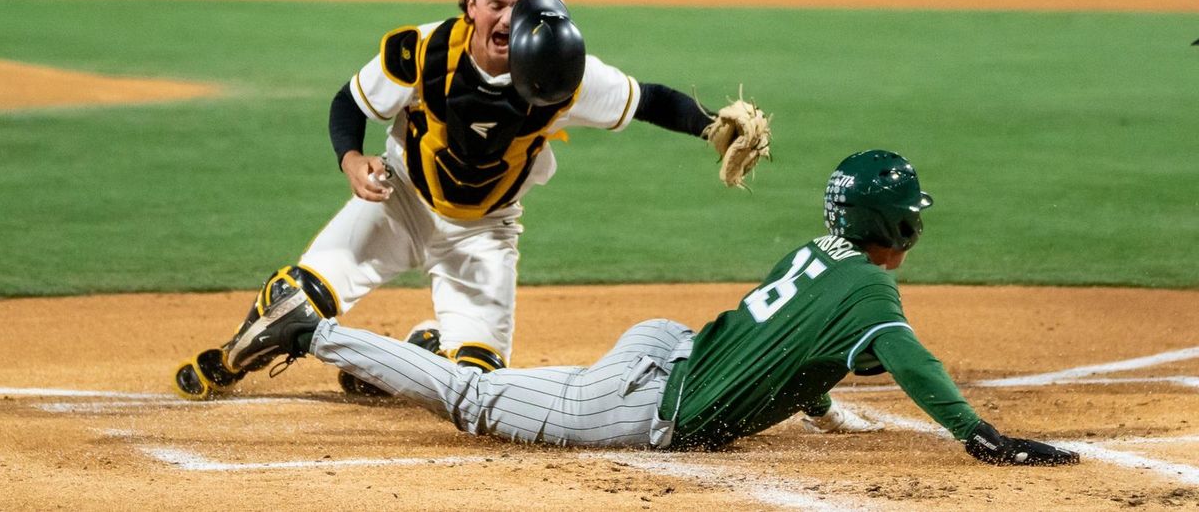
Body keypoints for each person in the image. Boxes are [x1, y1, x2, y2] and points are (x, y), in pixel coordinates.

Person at [173, 0, 776, 403]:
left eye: (521, 8)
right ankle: (230, 360)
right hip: (400, 200)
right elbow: (349, 102)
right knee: (297, 303)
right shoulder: (423, 50)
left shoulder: (563, 72)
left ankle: (418, 355)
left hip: (485, 232)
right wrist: (352, 160)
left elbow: (649, 99)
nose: (506, 19)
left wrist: (709, 125)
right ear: (469, 6)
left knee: (477, 388)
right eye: (494, 4)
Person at [211, 149, 1081, 464]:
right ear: (893, 225)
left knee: (486, 385)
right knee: (473, 401)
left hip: (666, 344)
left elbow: (794, 338)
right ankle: (311, 326)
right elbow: (909, 357)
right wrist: (980, 435)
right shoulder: (873, 289)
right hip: (639, 400)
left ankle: (419, 346)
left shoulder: (822, 256)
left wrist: (818, 408)